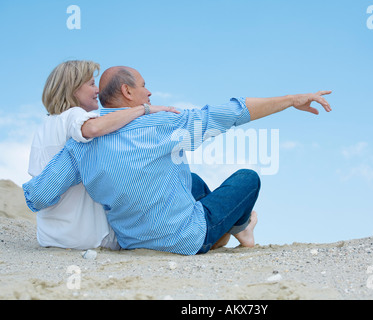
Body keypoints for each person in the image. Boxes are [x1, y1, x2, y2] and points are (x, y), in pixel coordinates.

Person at [23, 66, 332, 255]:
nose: (150, 91)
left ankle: (230, 228)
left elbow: (37, 196)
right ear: (128, 91)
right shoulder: (163, 122)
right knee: (248, 178)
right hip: (187, 238)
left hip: (134, 243)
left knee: (193, 181)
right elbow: (234, 112)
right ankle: (239, 227)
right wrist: (292, 100)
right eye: (144, 84)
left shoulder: (80, 145)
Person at [28, 61, 178, 250]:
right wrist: (144, 109)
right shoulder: (74, 115)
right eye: (91, 84)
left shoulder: (44, 127)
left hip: (50, 236)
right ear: (73, 89)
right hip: (87, 237)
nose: (98, 90)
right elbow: (93, 128)